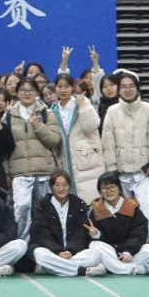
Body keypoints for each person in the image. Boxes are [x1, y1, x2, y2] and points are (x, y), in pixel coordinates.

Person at [100, 71, 149, 243]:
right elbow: (107, 141)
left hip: (144, 171)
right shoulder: (112, 111)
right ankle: (128, 247)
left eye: (131, 86)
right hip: (121, 171)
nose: (128, 90)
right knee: (125, 212)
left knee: (147, 210)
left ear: (137, 88)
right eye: (124, 87)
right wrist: (112, 168)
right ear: (119, 89)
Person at [6, 77, 63, 240]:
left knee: (43, 210)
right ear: (16, 93)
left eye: (31, 90)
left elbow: (55, 140)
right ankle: (21, 243)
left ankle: (43, 242)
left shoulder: (46, 113)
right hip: (19, 172)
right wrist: (7, 171)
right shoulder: (9, 115)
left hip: (44, 171)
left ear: (37, 93)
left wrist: (37, 126)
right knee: (21, 207)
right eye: (23, 90)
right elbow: (4, 148)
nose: (27, 93)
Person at [30, 170, 104, 277]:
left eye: (65, 185)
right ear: (51, 187)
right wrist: (58, 252)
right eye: (57, 185)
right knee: (39, 253)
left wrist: (70, 251)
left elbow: (79, 235)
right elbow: (41, 235)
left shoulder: (78, 206)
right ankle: (80, 271)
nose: (61, 189)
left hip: (73, 255)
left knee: (95, 254)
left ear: (70, 187)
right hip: (52, 253)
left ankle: (52, 268)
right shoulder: (42, 206)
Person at [87, 171, 149, 275]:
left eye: (112, 187)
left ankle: (114, 267)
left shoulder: (131, 206)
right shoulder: (97, 210)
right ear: (100, 192)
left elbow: (139, 233)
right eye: (105, 188)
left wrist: (128, 252)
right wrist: (97, 235)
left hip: (130, 253)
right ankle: (133, 269)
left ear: (119, 189)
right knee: (94, 245)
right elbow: (99, 240)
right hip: (110, 253)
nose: (109, 191)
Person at [50, 75, 105, 203]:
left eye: (66, 86)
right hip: (64, 163)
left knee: (93, 203)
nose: (63, 90)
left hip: (87, 162)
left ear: (73, 88)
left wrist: (84, 106)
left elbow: (92, 126)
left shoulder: (82, 103)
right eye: (59, 86)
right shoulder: (52, 110)